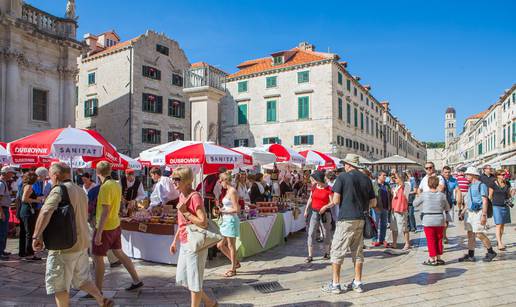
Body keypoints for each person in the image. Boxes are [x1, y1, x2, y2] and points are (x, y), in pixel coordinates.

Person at [31, 163, 113, 307]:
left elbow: (45, 211)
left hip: (64, 246)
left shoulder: (59, 190)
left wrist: (36, 236)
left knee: (60, 286)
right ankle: (100, 299)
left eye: (50, 175)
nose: (49, 178)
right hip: (81, 243)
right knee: (82, 280)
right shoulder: (80, 190)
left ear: (56, 175)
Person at [321, 154, 376, 294]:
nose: (344, 166)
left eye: (345, 163)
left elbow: (337, 200)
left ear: (348, 165)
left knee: (337, 251)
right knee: (357, 252)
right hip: (361, 218)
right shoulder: (366, 179)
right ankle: (357, 283)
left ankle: (335, 284)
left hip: (346, 218)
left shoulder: (342, 177)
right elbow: (374, 202)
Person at [170, 167, 217, 307]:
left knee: (194, 281)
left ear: (185, 181)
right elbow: (182, 224)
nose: (173, 182)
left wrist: (186, 213)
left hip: (195, 243)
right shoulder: (181, 195)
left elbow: (203, 222)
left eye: (176, 179)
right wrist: (175, 241)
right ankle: (209, 302)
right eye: (173, 178)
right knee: (183, 279)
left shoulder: (195, 197)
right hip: (185, 242)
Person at [93, 161, 143, 292]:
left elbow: (105, 211)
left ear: (97, 172)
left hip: (106, 227)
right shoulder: (116, 185)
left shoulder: (105, 187)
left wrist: (98, 233)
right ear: (109, 171)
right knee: (119, 253)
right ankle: (136, 280)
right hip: (115, 224)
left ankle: (97, 290)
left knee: (98, 258)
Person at [458, 167, 497, 262]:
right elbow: (468, 201)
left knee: (479, 233)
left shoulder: (481, 185)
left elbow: (485, 201)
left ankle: (491, 252)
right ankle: (471, 255)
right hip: (470, 212)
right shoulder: (471, 185)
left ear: (474, 175)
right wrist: (462, 212)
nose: (466, 176)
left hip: (478, 212)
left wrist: (484, 215)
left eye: (467, 174)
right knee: (470, 233)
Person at [413, 176, 450, 266]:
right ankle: (438, 257)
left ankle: (432, 258)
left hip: (428, 219)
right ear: (437, 184)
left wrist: (417, 195)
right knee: (439, 239)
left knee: (430, 240)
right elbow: (447, 207)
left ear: (428, 184)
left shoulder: (424, 195)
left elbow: (415, 204)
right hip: (439, 219)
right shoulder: (442, 195)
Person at [304, 170, 334, 263]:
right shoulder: (314, 187)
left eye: (315, 179)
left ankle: (327, 253)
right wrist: (306, 209)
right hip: (314, 212)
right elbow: (310, 198)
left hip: (325, 213)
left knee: (326, 233)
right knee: (311, 232)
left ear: (319, 179)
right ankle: (310, 255)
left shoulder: (328, 189)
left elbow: (333, 202)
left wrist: (325, 207)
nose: (313, 181)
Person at [216, 172, 241, 277]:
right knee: (220, 245)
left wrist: (223, 211)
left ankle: (233, 269)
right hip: (226, 220)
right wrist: (221, 209)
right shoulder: (227, 191)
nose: (220, 183)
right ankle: (235, 263)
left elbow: (236, 209)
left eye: (220, 181)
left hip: (231, 220)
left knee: (231, 245)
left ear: (225, 180)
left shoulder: (232, 191)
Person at [20, 172, 43, 260]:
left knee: (26, 232)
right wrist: (36, 200)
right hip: (28, 211)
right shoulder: (29, 186)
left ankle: (25, 252)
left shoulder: (24, 185)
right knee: (29, 233)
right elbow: (24, 199)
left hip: (25, 211)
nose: (37, 179)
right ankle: (29, 254)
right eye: (36, 178)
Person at [489, 169, 512, 250]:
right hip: (496, 206)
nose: (504, 176)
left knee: (502, 225)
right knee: (498, 224)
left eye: (504, 174)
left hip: (505, 206)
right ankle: (499, 243)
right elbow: (490, 196)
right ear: (497, 176)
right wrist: (490, 206)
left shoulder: (507, 183)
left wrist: (511, 196)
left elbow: (508, 195)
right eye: (502, 174)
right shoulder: (493, 184)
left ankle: (500, 240)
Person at [390, 172, 411, 250]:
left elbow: (405, 191)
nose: (394, 179)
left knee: (404, 227)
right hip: (394, 208)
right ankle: (394, 243)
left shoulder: (406, 186)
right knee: (393, 227)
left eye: (396, 178)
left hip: (401, 209)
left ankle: (407, 243)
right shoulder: (396, 186)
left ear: (400, 179)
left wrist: (400, 178)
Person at [0, 166, 16, 260]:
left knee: (4, 231)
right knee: (2, 231)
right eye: (11, 173)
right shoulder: (1, 184)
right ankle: (0, 252)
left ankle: (2, 250)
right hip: (3, 209)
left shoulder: (4, 183)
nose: (12, 175)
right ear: (6, 173)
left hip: (5, 209)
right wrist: (1, 212)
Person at [372, 171, 391, 247]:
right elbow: (371, 196)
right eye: (383, 175)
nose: (385, 177)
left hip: (385, 207)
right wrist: (374, 206)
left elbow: (390, 195)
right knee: (375, 224)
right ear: (378, 176)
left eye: (385, 175)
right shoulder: (374, 185)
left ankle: (382, 239)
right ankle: (374, 240)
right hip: (377, 207)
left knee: (384, 224)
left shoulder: (387, 185)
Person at [440, 166, 459, 243]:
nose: (447, 174)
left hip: (449, 202)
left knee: (447, 221)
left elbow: (457, 190)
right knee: (442, 221)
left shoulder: (454, 180)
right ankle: (443, 236)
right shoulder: (439, 180)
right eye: (445, 172)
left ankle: (444, 235)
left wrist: (458, 200)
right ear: (442, 172)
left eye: (448, 172)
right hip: (440, 203)